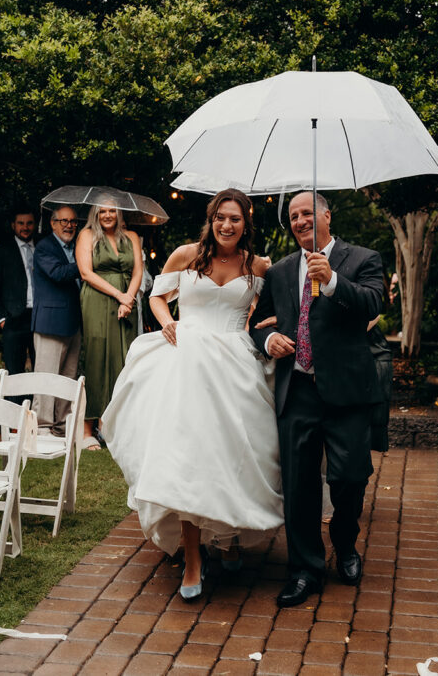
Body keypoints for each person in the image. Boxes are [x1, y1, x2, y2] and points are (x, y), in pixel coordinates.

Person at [101, 189, 280, 601]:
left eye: (235, 219)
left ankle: (232, 535)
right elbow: (158, 297)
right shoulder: (185, 255)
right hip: (186, 356)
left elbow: (269, 310)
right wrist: (168, 323)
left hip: (235, 361)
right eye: (221, 218)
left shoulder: (257, 265)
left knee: (234, 451)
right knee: (187, 456)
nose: (227, 226)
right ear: (211, 219)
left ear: (245, 222)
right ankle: (194, 557)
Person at [250, 191, 384, 608]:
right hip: (298, 390)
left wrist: (332, 281)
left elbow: (373, 303)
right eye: (293, 216)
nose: (300, 220)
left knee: (349, 479)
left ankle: (344, 545)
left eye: (307, 212)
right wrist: (268, 338)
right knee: (300, 485)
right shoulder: (281, 271)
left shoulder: (362, 259)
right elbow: (256, 322)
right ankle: (305, 569)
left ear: (327, 215)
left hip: (346, 391)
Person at [75, 204, 142, 442]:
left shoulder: (132, 236)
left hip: (127, 303)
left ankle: (113, 425)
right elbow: (86, 273)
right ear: (95, 214)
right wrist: (119, 295)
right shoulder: (87, 235)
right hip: (97, 300)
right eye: (102, 211)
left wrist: (128, 299)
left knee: (123, 359)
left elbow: (137, 273)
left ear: (119, 213)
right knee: (95, 357)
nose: (107, 215)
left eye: (112, 210)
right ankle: (86, 429)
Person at [31, 205, 82, 434]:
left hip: (73, 322)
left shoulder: (77, 246)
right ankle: (41, 427)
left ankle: (61, 427)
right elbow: (58, 273)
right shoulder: (44, 247)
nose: (69, 225)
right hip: (50, 322)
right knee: (46, 378)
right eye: (64, 221)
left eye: (72, 221)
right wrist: (86, 264)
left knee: (67, 377)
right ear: (53, 223)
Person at [0, 208, 37, 376]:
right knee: (14, 372)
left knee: (41, 370)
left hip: (40, 317)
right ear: (13, 225)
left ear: (35, 225)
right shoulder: (2, 251)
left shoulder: (43, 247)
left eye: (29, 223)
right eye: (21, 223)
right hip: (13, 319)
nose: (25, 227)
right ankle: (16, 403)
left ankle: (36, 403)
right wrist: (1, 318)